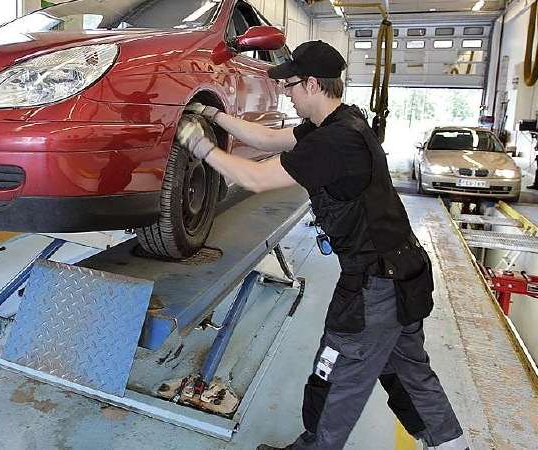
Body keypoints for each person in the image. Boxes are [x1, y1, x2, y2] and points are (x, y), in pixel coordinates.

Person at [178, 40, 468, 450]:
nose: (286, 94)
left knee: (336, 373)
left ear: (312, 84)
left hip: (375, 284)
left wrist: (199, 144)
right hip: (402, 271)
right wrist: (214, 115)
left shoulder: (335, 143)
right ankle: (449, 443)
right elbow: (268, 139)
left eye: (291, 85)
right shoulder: (338, 123)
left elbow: (255, 179)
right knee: (406, 369)